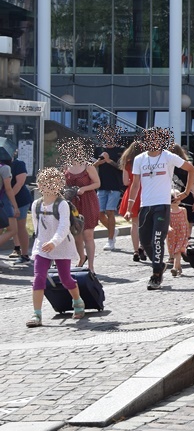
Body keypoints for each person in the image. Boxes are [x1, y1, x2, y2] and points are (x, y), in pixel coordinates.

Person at [128, 128, 194, 290]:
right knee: (144, 241)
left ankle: (156, 275)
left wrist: (186, 192)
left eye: (156, 139)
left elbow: (191, 169)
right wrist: (130, 207)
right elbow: (135, 184)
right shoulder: (139, 159)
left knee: (157, 238)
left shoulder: (168, 156)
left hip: (162, 205)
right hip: (145, 205)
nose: (153, 142)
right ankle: (159, 265)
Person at [27, 167, 86, 327]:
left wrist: (53, 242)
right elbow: (36, 226)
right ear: (39, 185)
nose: (49, 186)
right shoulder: (36, 205)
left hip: (61, 247)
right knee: (39, 278)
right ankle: (36, 315)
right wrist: (42, 243)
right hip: (42, 247)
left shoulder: (62, 205)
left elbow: (64, 227)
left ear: (60, 185)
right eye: (45, 183)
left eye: (53, 183)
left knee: (65, 278)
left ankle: (78, 301)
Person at [60, 140, 102, 272]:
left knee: (88, 234)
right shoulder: (66, 167)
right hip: (72, 202)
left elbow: (97, 183)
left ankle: (91, 266)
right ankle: (82, 257)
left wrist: (84, 188)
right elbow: (62, 183)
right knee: (76, 234)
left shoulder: (88, 166)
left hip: (88, 201)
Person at [93, 135, 126, 251]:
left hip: (115, 186)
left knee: (110, 211)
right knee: (99, 214)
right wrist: (98, 162)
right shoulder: (99, 150)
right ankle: (113, 229)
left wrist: (109, 161)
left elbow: (122, 167)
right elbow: (92, 167)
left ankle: (110, 240)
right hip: (102, 186)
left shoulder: (120, 150)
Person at [118, 140, 146, 261]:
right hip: (145, 191)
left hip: (131, 193)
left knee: (134, 224)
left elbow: (125, 182)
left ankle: (135, 251)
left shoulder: (127, 163)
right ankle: (142, 247)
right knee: (145, 223)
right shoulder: (145, 161)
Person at [167, 186, 189, 278]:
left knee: (177, 251)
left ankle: (175, 268)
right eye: (173, 198)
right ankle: (179, 267)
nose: (175, 200)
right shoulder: (168, 211)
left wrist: (188, 233)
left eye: (177, 198)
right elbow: (167, 222)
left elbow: (186, 222)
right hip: (172, 234)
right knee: (173, 251)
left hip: (181, 233)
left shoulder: (183, 210)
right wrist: (168, 228)